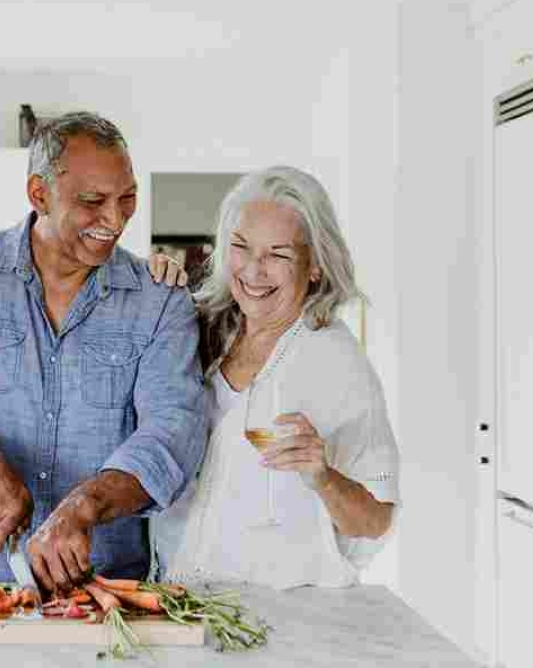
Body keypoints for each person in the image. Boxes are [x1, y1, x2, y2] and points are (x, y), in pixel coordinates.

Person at [0, 112, 207, 591]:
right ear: (39, 194)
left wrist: (86, 504)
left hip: (111, 591)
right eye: (92, 201)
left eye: (127, 199)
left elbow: (172, 432)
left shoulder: (159, 299)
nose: (116, 219)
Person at [150, 166, 398, 589]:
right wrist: (148, 285)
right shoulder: (204, 328)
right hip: (178, 594)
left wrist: (323, 475)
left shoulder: (335, 361)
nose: (253, 270)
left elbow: (376, 520)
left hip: (282, 616)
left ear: (315, 266)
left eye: (278, 255)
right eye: (241, 247)